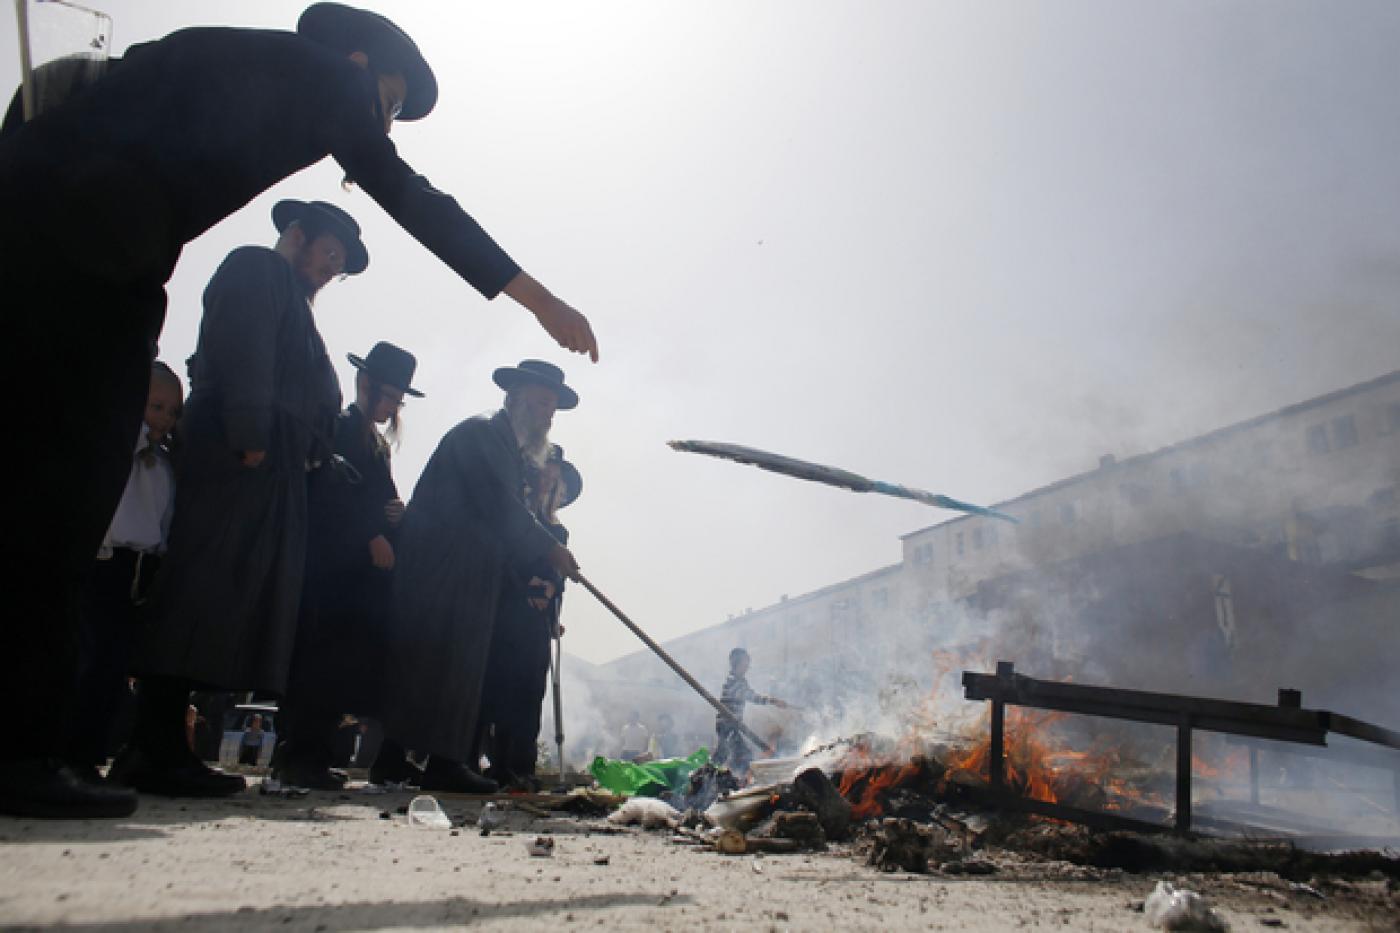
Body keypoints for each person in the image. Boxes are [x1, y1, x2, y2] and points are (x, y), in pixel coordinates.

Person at [0, 2, 598, 818]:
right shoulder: (329, 80)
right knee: (59, 487)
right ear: (359, 63)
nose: (382, 123)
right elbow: (412, 195)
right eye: (390, 100)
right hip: (81, 231)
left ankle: (74, 744)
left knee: (61, 484)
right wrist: (538, 298)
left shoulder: (235, 73)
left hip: (107, 240)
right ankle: (22, 746)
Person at [111, 199, 357, 798]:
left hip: (267, 472)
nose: (331, 270)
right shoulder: (256, 268)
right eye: (330, 253)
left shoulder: (295, 303)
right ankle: (150, 747)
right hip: (237, 462)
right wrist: (250, 438)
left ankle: (166, 746)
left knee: (224, 605)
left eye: (340, 265)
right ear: (298, 236)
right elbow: (243, 354)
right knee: (199, 594)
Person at [382, 360, 581, 794]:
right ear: (515, 398)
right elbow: (502, 507)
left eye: (553, 408)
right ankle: (441, 763)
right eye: (543, 403)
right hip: (446, 565)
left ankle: (407, 762)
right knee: (447, 663)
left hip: (468, 568)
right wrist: (550, 547)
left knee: (447, 665)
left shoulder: (504, 444)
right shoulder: (483, 434)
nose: (549, 415)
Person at [274, 341, 422, 790]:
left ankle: (316, 753)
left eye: (399, 399)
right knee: (316, 665)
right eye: (390, 395)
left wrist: (396, 518)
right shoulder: (338, 427)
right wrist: (369, 534)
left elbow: (378, 497)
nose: (392, 405)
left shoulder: (377, 444)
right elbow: (327, 489)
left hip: (362, 579)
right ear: (366, 383)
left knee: (340, 671)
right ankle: (297, 755)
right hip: (331, 570)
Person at [63, 362, 183, 794]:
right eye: (156, 406)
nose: (164, 419)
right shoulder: (116, 451)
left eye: (172, 411)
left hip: (136, 571)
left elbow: (162, 524)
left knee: (112, 669)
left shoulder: (163, 468)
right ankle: (68, 756)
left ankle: (90, 757)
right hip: (103, 562)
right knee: (88, 662)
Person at [476, 445, 582, 789]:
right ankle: (493, 764)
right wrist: (528, 585)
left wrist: (551, 598)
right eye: (545, 469)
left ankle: (520, 768)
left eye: (556, 474)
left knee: (529, 691)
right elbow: (504, 558)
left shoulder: (559, 532)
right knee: (498, 688)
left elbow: (558, 577)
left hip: (536, 623)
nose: (550, 477)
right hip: (506, 613)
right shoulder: (517, 515)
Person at [713, 648, 789, 778]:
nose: (748, 665)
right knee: (741, 756)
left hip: (731, 725)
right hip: (726, 725)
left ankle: (714, 777)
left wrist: (773, 701)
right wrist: (773, 700)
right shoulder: (733, 681)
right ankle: (722, 779)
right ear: (737, 662)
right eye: (745, 661)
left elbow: (750, 695)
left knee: (724, 755)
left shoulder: (740, 680)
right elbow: (751, 696)